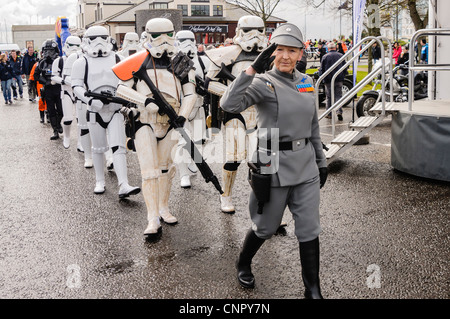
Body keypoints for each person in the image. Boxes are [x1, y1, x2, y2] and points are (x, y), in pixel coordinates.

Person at [220, 23, 328, 299]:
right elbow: (229, 105)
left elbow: (313, 126)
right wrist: (251, 70)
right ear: (271, 52)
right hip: (271, 162)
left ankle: (312, 289)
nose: (285, 56)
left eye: (292, 51)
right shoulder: (263, 82)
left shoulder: (307, 82)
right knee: (266, 227)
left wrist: (321, 159)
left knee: (309, 227)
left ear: (301, 54)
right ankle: (243, 262)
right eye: (280, 50)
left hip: (305, 164)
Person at [112, 18, 197, 240]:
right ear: (148, 35)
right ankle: (152, 218)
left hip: (172, 121)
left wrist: (183, 116)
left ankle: (163, 208)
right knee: (149, 171)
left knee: (166, 169)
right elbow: (121, 89)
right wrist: (145, 101)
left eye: (169, 35)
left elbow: (190, 93)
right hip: (145, 120)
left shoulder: (180, 61)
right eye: (159, 36)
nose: (165, 41)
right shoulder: (138, 61)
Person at [204, 15, 267, 214]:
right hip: (235, 112)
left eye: (259, 30)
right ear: (239, 31)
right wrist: (233, 93)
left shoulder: (269, 55)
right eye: (249, 31)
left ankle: (265, 202)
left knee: (264, 159)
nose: (254, 36)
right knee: (234, 157)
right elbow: (208, 84)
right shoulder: (226, 54)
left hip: (262, 112)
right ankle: (226, 195)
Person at [72, 26, 141, 198]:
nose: (99, 42)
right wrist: (89, 100)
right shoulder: (81, 62)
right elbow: (76, 86)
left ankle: (123, 184)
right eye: (95, 38)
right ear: (87, 41)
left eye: (103, 37)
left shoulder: (118, 58)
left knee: (118, 148)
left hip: (115, 109)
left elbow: (128, 79)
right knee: (98, 148)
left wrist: (125, 96)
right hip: (94, 111)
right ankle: (99, 181)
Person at [174, 30, 210, 188]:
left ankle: (193, 164)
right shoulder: (172, 62)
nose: (187, 43)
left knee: (198, 140)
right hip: (181, 108)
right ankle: (183, 175)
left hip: (199, 106)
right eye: (183, 40)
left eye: (190, 40)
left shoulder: (203, 61)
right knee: (182, 142)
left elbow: (211, 81)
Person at [51, 35, 82, 149]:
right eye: (72, 46)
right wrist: (64, 81)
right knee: (68, 118)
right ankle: (67, 137)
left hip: (79, 91)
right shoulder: (59, 61)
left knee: (81, 119)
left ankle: (80, 142)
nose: (74, 48)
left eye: (77, 46)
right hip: (66, 91)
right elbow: (54, 77)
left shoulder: (82, 60)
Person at [34, 39, 64, 140]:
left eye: (51, 50)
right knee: (51, 111)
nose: (48, 53)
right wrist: (46, 82)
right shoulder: (41, 63)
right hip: (48, 90)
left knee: (61, 110)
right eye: (46, 50)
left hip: (59, 89)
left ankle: (58, 124)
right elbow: (36, 75)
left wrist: (60, 80)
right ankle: (55, 130)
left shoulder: (60, 62)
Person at [319, 41, 347, 121]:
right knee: (338, 96)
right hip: (339, 79)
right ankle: (339, 111)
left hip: (328, 80)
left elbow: (322, 69)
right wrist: (343, 75)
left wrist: (321, 78)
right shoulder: (341, 55)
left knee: (329, 97)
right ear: (335, 48)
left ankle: (329, 113)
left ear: (328, 48)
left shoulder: (325, 57)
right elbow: (345, 67)